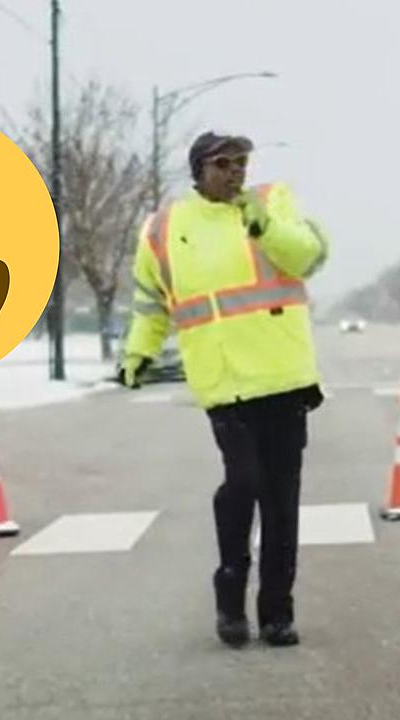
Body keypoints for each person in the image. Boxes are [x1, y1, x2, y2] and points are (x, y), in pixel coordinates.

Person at [118, 132, 328, 647]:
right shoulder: (164, 228)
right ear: (199, 171)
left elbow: (306, 257)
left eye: (240, 163)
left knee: (282, 501)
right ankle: (229, 594)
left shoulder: (270, 203)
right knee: (244, 483)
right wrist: (138, 353)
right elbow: (151, 302)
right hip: (224, 379)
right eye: (222, 163)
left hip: (284, 377)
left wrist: (263, 226)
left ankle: (277, 612)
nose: (235, 171)